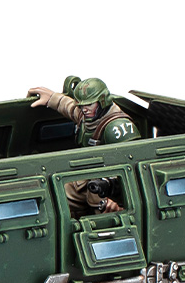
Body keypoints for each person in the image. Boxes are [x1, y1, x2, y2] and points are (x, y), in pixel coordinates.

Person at [28, 77, 140, 215]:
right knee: (53, 197)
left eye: (89, 105)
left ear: (102, 101)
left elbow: (132, 166)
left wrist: (119, 196)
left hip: (111, 187)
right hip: (87, 177)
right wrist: (52, 98)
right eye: (81, 106)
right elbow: (69, 107)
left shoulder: (117, 127)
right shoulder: (88, 117)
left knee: (106, 216)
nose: (84, 109)